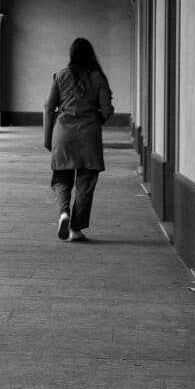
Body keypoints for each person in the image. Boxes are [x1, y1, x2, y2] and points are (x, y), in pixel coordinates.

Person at [43, 37, 114, 242]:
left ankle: (64, 212)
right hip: (89, 134)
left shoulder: (60, 76)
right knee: (86, 182)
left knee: (61, 178)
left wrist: (48, 139)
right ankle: (75, 228)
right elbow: (107, 109)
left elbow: (48, 108)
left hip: (63, 133)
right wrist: (96, 121)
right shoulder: (98, 77)